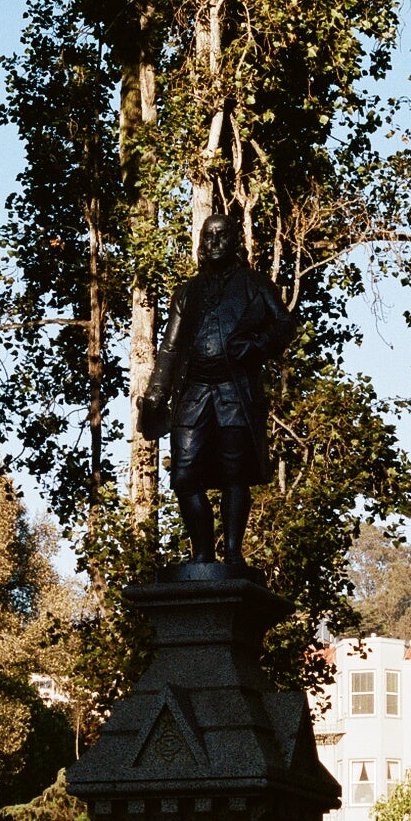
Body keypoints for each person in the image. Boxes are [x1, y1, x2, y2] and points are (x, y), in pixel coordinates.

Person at [139, 214, 297, 568]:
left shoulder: (254, 284)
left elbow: (285, 324)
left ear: (235, 240)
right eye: (208, 237)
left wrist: (257, 346)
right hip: (194, 393)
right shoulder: (187, 292)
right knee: (183, 475)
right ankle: (202, 554)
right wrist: (155, 394)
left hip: (234, 392)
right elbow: (169, 348)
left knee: (234, 473)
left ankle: (232, 554)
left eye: (221, 236)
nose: (214, 243)